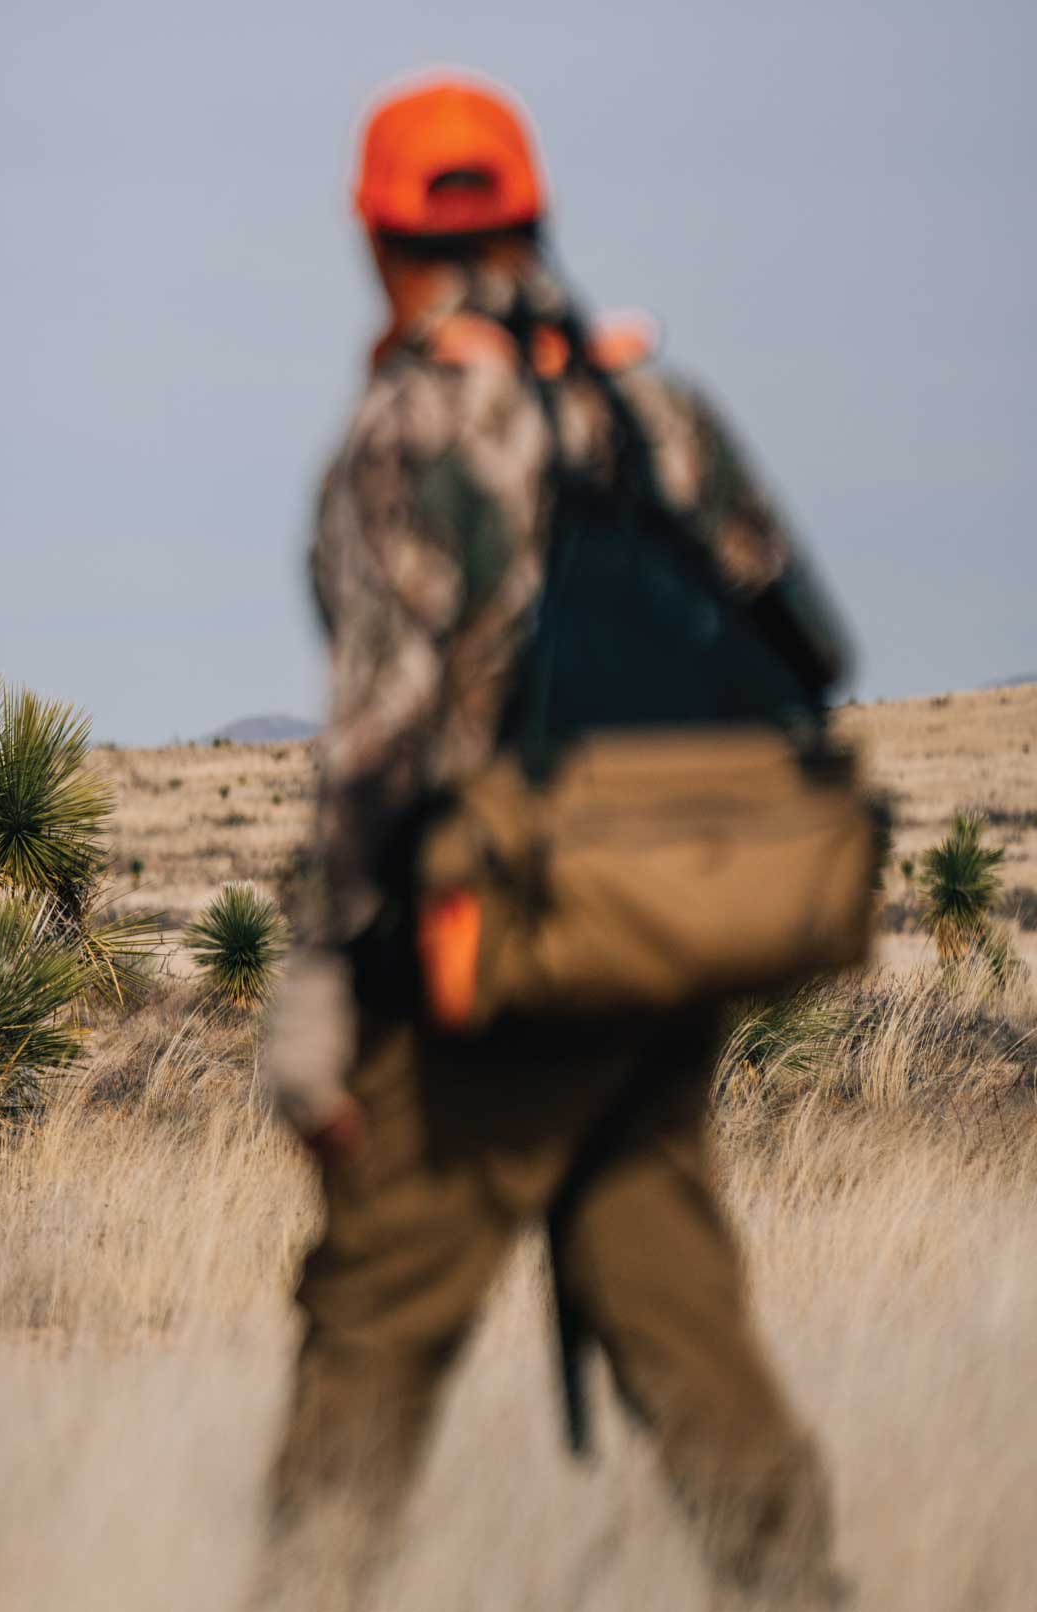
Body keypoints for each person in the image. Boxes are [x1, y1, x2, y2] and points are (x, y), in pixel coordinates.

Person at [261, 71, 847, 1605]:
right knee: (677, 1315)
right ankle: (800, 1587)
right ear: (535, 218)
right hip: (664, 943)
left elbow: (384, 739)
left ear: (379, 239)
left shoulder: (408, 427)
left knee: (371, 1328)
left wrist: (322, 980)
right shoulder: (655, 407)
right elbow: (807, 641)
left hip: (492, 959)